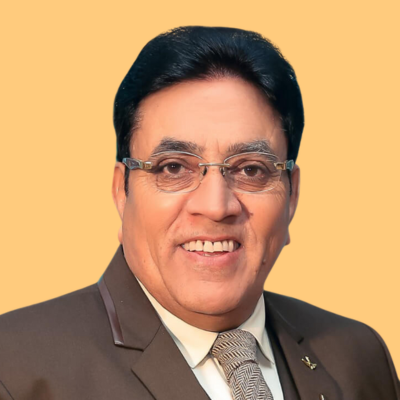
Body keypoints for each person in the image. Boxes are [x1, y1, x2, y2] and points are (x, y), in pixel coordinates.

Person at [0, 26, 398, 400]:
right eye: (173, 167)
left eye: (251, 170)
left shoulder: (358, 355)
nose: (215, 206)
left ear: (291, 196)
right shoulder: (16, 367)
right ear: (122, 192)